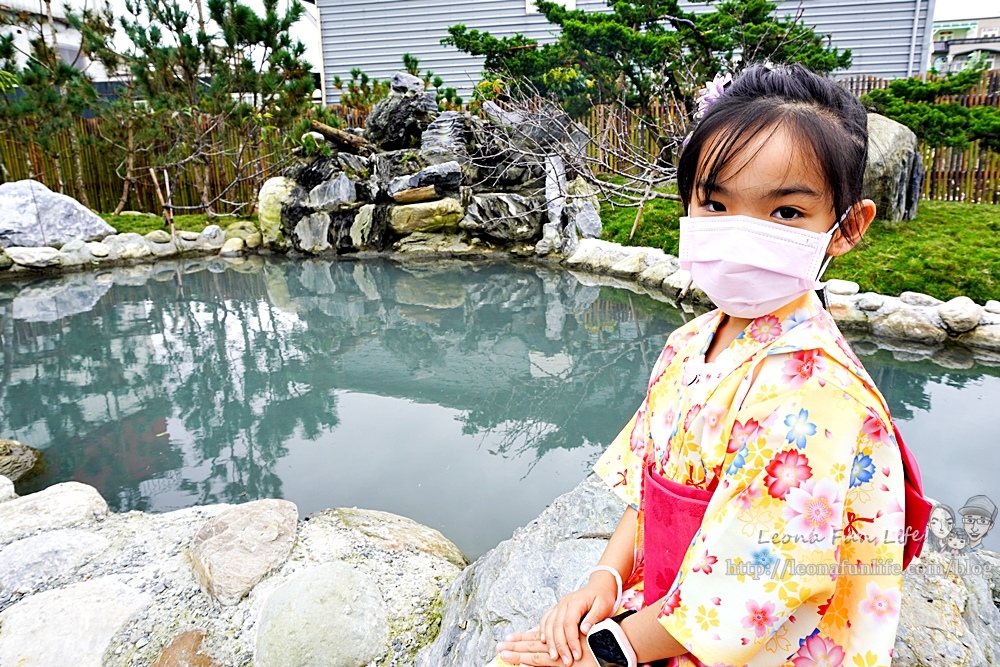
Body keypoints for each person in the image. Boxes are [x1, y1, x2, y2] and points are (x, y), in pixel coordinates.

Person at [491, 63, 907, 667]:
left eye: (785, 212)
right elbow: (650, 488)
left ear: (847, 227)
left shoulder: (818, 390)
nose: (740, 234)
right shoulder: (688, 343)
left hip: (760, 641)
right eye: (715, 203)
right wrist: (605, 579)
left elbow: (753, 584)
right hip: (666, 610)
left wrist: (609, 649)